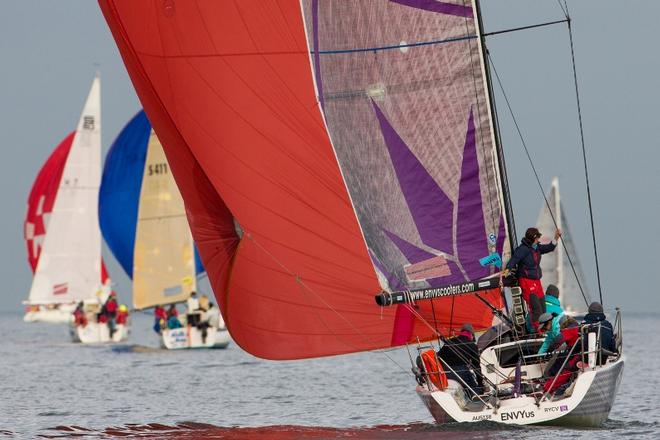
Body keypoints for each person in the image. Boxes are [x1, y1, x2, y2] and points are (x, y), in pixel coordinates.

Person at [506, 227, 561, 332]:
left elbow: (549, 247)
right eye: (538, 237)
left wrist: (556, 238)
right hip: (526, 281)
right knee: (536, 308)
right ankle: (537, 330)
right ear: (533, 238)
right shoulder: (523, 249)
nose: (538, 240)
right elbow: (514, 259)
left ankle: (545, 329)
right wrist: (507, 270)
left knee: (543, 308)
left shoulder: (536, 248)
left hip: (536, 282)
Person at [437, 323, 484, 397]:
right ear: (471, 335)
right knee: (476, 393)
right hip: (462, 372)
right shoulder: (472, 345)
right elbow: (476, 366)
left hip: (446, 374)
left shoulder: (449, 342)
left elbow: (438, 357)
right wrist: (480, 384)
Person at [543, 317, 582, 394]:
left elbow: (559, 340)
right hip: (578, 350)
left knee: (560, 357)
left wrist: (549, 351)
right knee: (562, 355)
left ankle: (551, 377)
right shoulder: (576, 326)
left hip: (575, 352)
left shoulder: (569, 329)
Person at [537, 285, 565, 354]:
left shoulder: (537, 305)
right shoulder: (560, 311)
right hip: (560, 345)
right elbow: (548, 340)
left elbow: (560, 339)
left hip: (561, 343)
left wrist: (540, 355)